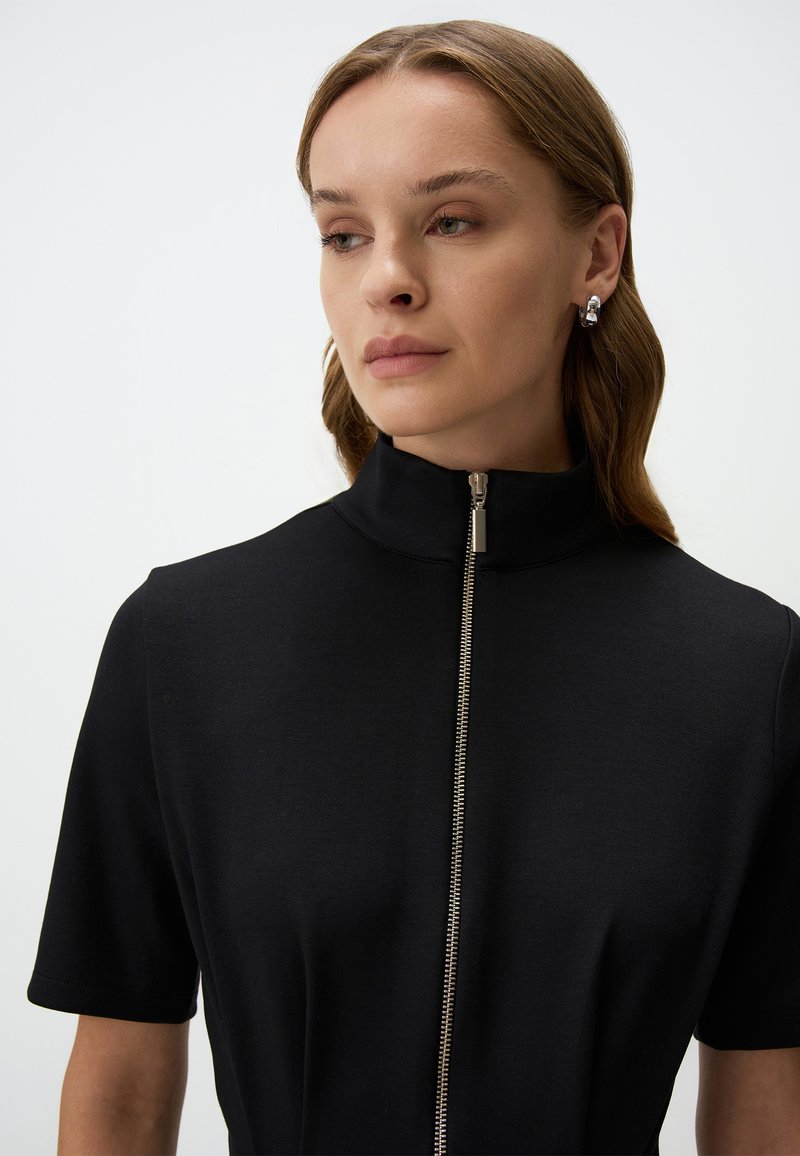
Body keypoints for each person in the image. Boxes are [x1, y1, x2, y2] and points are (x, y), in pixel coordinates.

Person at [28, 18, 800, 1156]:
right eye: (344, 235)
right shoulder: (181, 643)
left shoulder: (748, 671)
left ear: (597, 255)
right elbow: (120, 1081)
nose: (386, 280)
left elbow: (768, 1097)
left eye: (452, 221)